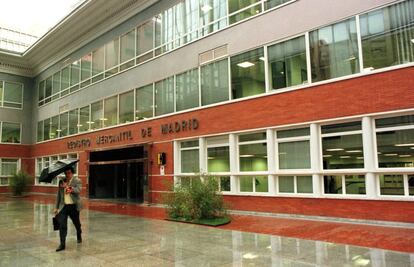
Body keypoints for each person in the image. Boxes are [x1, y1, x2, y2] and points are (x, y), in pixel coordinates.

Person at [53, 166, 82, 252]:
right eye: (66, 173)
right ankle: (62, 244)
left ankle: (79, 233)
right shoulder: (62, 181)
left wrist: (68, 187)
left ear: (72, 173)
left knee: (76, 223)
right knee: (62, 225)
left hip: (73, 206)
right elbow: (59, 195)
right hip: (64, 206)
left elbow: (78, 190)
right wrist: (56, 207)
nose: (67, 174)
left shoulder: (77, 180)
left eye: (69, 173)